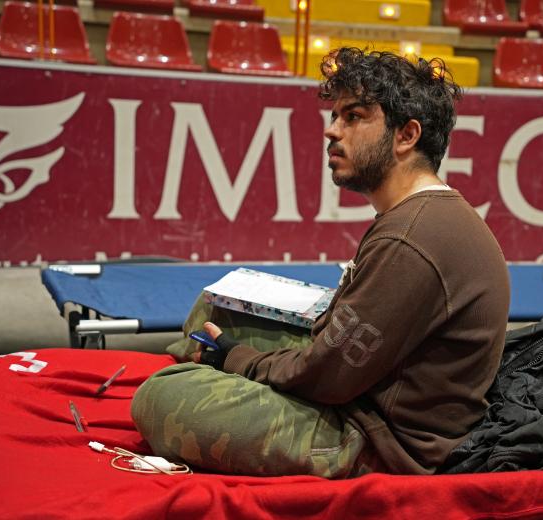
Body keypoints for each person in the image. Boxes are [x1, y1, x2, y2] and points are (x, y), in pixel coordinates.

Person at [131, 47, 510, 478]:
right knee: (214, 310)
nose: (332, 131)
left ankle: (203, 363)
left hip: (377, 437)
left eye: (353, 117)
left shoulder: (411, 238)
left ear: (406, 136)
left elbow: (329, 378)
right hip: (362, 391)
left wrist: (238, 360)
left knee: (162, 397)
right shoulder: (421, 216)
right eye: (335, 117)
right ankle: (206, 357)